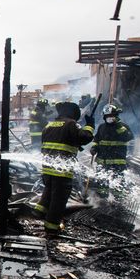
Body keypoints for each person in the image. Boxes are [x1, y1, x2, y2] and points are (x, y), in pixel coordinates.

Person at [33, 101, 95, 237]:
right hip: (62, 171)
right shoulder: (71, 124)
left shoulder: (49, 125)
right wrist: (90, 125)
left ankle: (39, 212)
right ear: (73, 113)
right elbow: (85, 138)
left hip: (47, 169)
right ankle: (52, 228)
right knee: (59, 199)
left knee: (49, 192)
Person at [90, 104, 134, 198]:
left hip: (117, 163)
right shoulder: (102, 127)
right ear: (104, 116)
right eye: (107, 116)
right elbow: (97, 139)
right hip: (102, 162)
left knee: (118, 185)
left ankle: (118, 202)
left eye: (112, 116)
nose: (109, 118)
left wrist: (118, 126)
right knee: (102, 184)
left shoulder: (122, 127)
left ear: (116, 116)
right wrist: (94, 148)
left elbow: (128, 137)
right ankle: (102, 201)